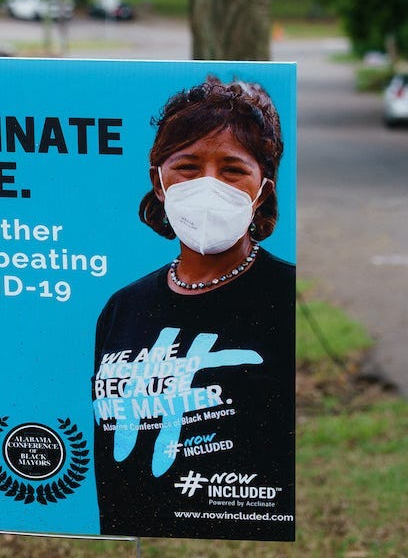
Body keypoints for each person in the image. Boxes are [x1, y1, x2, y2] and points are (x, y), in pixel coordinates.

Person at [91, 76, 296, 540]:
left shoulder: (288, 298)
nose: (209, 186)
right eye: (187, 166)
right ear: (159, 183)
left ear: (262, 188)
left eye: (231, 169)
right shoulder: (123, 307)